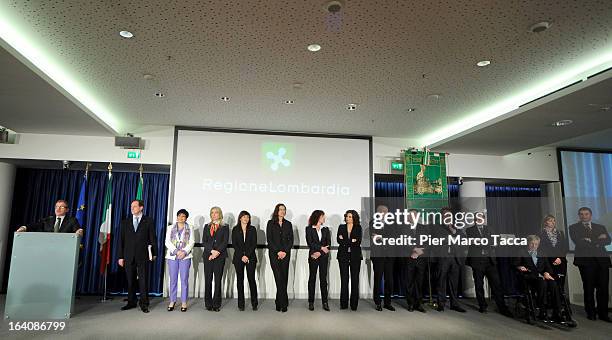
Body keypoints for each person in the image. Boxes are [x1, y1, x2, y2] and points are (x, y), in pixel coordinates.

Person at [568, 207, 611, 322]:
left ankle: (604, 314)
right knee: (589, 288)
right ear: (579, 216)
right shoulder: (573, 228)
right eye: (581, 214)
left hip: (602, 262)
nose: (584, 216)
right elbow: (579, 243)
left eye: (586, 214)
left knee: (603, 289)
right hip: (586, 262)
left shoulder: (600, 227)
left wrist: (590, 240)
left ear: (590, 215)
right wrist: (598, 240)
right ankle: (591, 313)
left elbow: (608, 241)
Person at [465, 215, 512, 317]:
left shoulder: (490, 228)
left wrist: (490, 242)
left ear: (484, 219)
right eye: (477, 218)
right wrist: (487, 242)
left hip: (490, 261)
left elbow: (495, 241)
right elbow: (473, 242)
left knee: (496, 285)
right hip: (477, 261)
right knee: (479, 285)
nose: (479, 220)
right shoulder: (469, 230)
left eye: (481, 218)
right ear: (474, 220)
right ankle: (482, 306)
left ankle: (502, 307)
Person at [118, 199, 158, 313]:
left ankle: (144, 303)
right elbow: (121, 241)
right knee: (130, 280)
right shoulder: (125, 222)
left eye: (135, 206)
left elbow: (152, 238)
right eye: (131, 206)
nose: (132, 208)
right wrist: (120, 256)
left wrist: (154, 253)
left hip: (143, 255)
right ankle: (131, 302)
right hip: (128, 255)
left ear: (141, 208)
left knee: (143, 280)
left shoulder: (148, 221)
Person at [513, 235, 562, 323]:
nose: (534, 246)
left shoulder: (542, 253)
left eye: (536, 244)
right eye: (532, 243)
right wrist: (520, 267)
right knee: (542, 282)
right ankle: (542, 311)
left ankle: (557, 312)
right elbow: (515, 264)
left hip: (542, 277)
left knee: (553, 283)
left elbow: (548, 267)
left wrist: (547, 272)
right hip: (529, 278)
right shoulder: (521, 252)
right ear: (528, 243)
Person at [432, 207, 467, 313]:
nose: (447, 217)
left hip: (455, 258)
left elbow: (463, 240)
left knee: (454, 283)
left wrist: (453, 231)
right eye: (445, 215)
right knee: (441, 282)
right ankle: (441, 304)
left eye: (449, 215)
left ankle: (454, 304)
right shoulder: (436, 227)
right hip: (443, 258)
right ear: (442, 217)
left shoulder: (457, 228)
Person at [164, 209, 195, 312]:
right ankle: (172, 301)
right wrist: (177, 251)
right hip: (173, 256)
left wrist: (184, 252)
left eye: (183, 216)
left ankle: (184, 302)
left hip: (185, 257)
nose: (181, 218)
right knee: (173, 280)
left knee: (184, 280)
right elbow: (167, 242)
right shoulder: (170, 228)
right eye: (179, 216)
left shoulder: (190, 228)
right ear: (177, 217)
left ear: (186, 218)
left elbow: (192, 242)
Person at [266, 203, 294, 312]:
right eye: (280, 209)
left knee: (284, 278)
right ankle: (283, 302)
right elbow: (270, 239)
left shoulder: (288, 224)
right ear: (276, 211)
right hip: (274, 254)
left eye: (284, 209)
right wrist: (278, 251)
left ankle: (280, 302)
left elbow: (290, 240)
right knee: (278, 279)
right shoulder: (270, 223)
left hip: (285, 255)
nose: (282, 211)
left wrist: (285, 251)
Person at [202, 206, 229, 312]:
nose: (214, 214)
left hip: (220, 256)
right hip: (208, 256)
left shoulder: (225, 227)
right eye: (212, 212)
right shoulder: (206, 226)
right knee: (208, 280)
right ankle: (208, 303)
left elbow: (225, 241)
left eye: (216, 212)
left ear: (220, 214)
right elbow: (204, 241)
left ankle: (216, 304)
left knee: (218, 280)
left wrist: (217, 252)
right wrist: (212, 251)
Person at [232, 210, 258, 311]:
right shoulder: (235, 229)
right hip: (238, 258)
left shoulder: (252, 229)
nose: (246, 218)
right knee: (240, 281)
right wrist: (242, 256)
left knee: (251, 280)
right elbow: (235, 244)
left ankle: (254, 303)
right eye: (244, 217)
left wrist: (246, 255)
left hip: (250, 258)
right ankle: (241, 304)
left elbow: (253, 243)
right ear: (240, 218)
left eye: (247, 217)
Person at [402, 209, 428, 313]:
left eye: (415, 215)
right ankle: (411, 303)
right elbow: (402, 240)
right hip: (409, 258)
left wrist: (419, 251)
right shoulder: (403, 228)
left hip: (421, 258)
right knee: (409, 282)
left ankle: (419, 304)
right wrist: (413, 249)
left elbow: (428, 241)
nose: (413, 217)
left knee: (420, 282)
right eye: (410, 215)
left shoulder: (423, 227)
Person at [337, 209, 363, 311]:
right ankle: (343, 304)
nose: (348, 218)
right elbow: (339, 240)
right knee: (344, 280)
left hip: (355, 256)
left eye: (350, 217)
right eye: (347, 216)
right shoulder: (341, 227)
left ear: (354, 218)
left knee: (355, 280)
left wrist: (345, 241)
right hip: (343, 256)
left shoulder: (358, 227)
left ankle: (354, 305)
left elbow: (358, 241)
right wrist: (351, 241)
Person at [371, 204, 395, 311]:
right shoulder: (373, 222)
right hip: (378, 255)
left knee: (389, 280)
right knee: (378, 278)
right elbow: (374, 237)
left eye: (386, 211)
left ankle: (387, 302)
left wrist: (381, 237)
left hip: (390, 255)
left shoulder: (392, 223)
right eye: (382, 211)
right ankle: (377, 302)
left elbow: (394, 237)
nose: (385, 213)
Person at [306, 210, 331, 311]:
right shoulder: (309, 229)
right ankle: (311, 302)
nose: (324, 218)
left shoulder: (326, 229)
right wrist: (321, 248)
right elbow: (310, 243)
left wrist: (320, 252)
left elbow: (328, 244)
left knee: (323, 279)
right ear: (318, 217)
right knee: (312, 278)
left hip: (323, 257)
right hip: (313, 256)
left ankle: (325, 302)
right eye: (323, 216)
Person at [16, 199, 83, 236]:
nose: (58, 209)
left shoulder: (72, 220)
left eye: (61, 207)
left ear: (67, 210)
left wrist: (78, 232)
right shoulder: (47, 220)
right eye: (56, 207)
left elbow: (77, 230)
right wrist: (24, 227)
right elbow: (36, 225)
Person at [538, 215, 569, 291]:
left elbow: (564, 247)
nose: (553, 222)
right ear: (545, 222)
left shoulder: (560, 233)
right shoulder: (541, 234)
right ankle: (552, 300)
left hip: (561, 261)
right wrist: (553, 259)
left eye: (554, 220)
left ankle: (561, 300)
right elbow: (542, 249)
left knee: (561, 281)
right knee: (551, 282)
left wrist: (559, 258)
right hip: (548, 261)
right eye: (550, 220)